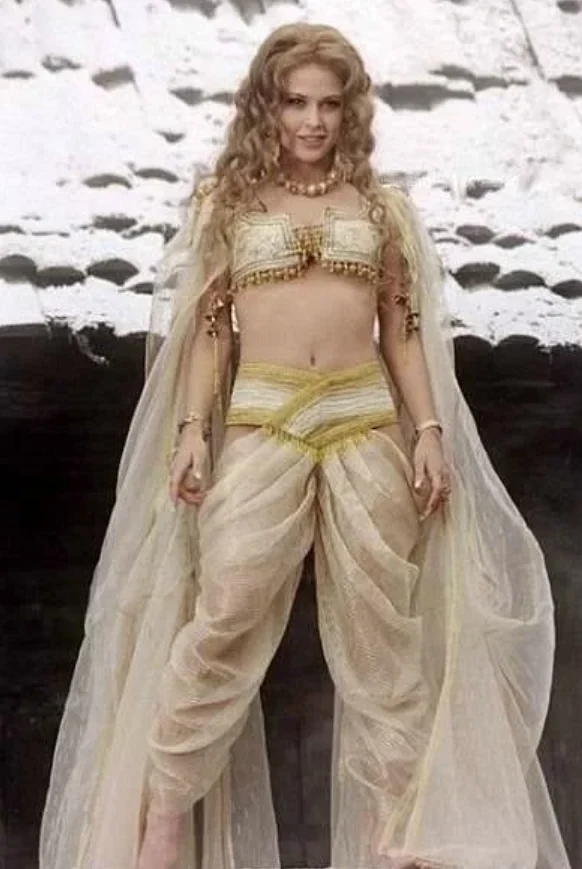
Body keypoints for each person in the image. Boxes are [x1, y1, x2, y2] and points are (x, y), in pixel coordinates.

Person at [39, 22, 571, 869]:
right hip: (264, 417)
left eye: (328, 104)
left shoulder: (380, 208)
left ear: (349, 110)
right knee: (225, 613)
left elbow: (403, 331)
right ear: (268, 107)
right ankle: (164, 814)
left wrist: (429, 431)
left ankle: (391, 829)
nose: (313, 121)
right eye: (295, 103)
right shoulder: (229, 204)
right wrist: (193, 431)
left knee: (382, 633)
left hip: (364, 418)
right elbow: (210, 333)